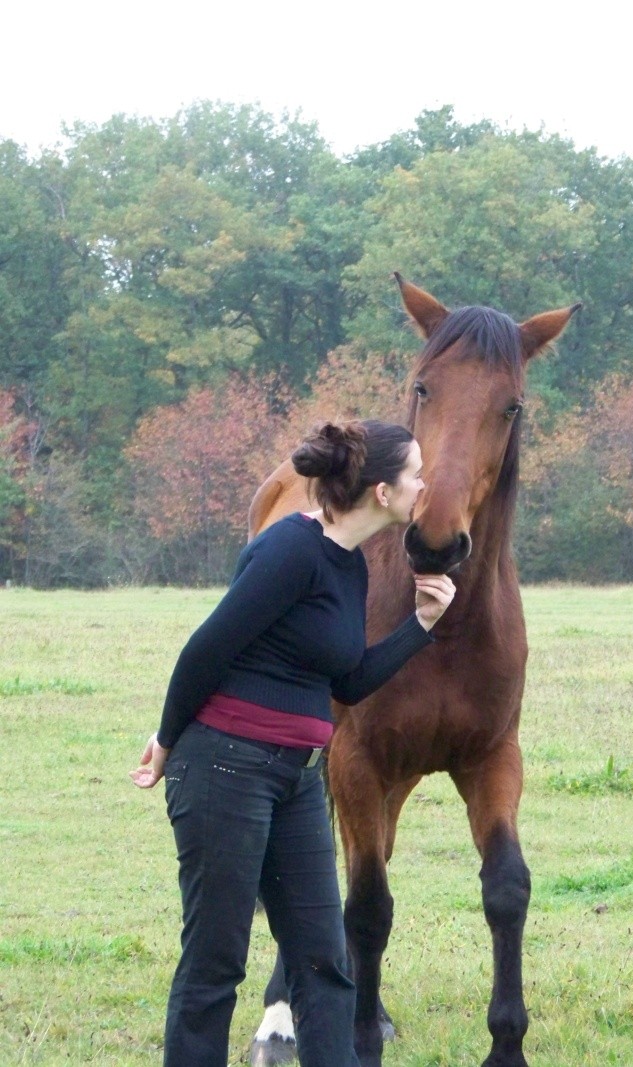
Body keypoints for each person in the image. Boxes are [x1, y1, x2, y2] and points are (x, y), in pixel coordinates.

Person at [130, 420, 455, 1067]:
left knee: (325, 963)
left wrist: (421, 625)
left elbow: (349, 677)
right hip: (226, 768)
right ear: (383, 490)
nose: (425, 485)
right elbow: (207, 646)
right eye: (416, 473)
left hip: (301, 776)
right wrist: (167, 739)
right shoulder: (290, 549)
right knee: (215, 964)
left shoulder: (350, 565)